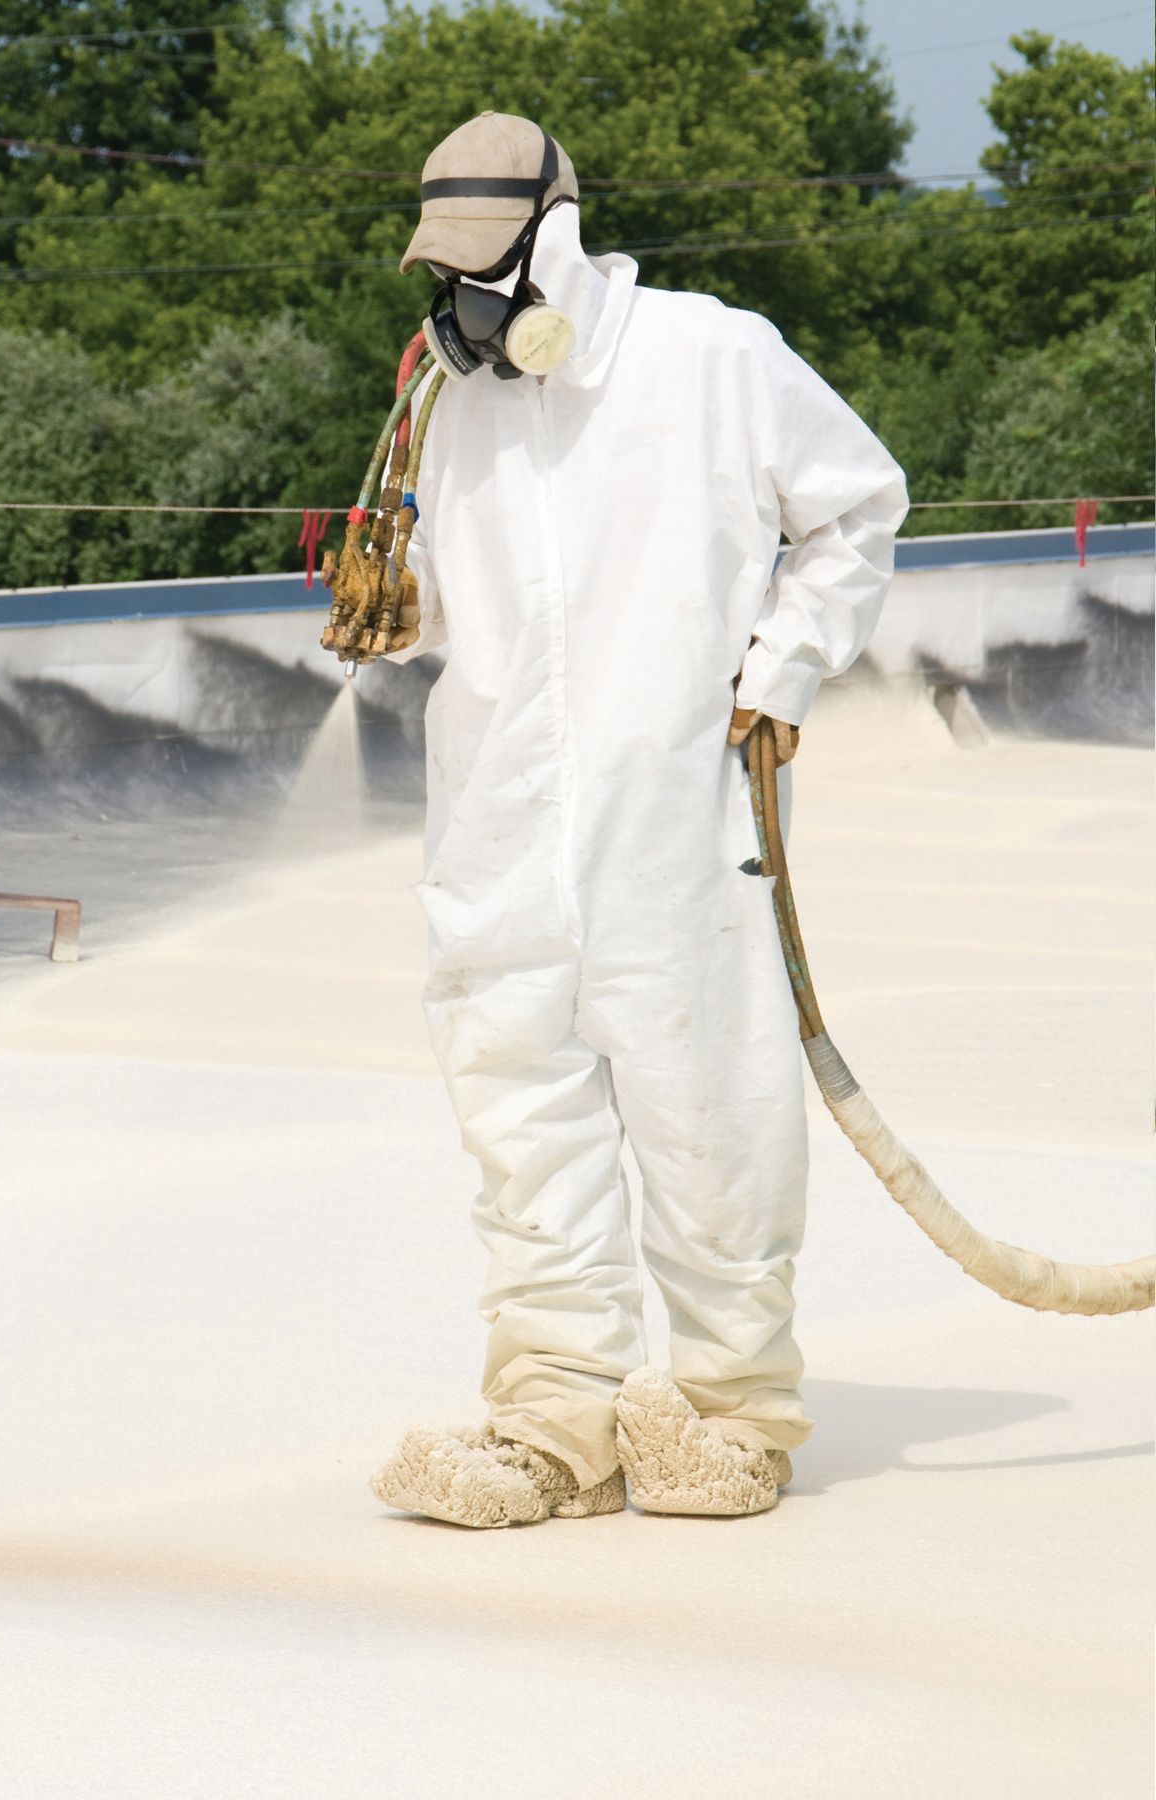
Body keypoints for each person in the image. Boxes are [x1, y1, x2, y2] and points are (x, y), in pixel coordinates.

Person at [370, 112, 908, 1526]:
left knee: (706, 1098)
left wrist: (780, 670)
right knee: (517, 1110)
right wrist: (392, 601)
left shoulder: (712, 356)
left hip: (673, 801)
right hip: (492, 814)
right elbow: (458, 589)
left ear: (559, 226)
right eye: (452, 269)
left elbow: (857, 508)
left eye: (494, 263)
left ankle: (735, 1408)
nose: (472, 297)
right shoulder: (445, 395)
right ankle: (556, 1413)